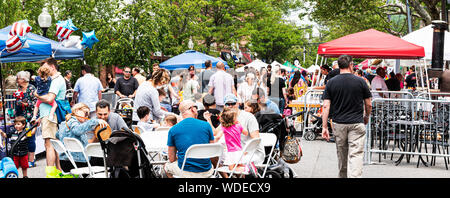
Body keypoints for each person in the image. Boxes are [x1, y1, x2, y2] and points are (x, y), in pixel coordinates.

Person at [321, 55, 372, 178]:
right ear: (350, 65)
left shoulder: (331, 83)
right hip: (356, 123)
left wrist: (324, 127)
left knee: (342, 156)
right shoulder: (361, 81)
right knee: (356, 155)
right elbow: (369, 104)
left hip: (339, 123)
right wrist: (366, 116)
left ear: (339, 66)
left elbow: (326, 106)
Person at [164, 100, 215, 178]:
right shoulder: (206, 126)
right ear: (192, 109)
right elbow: (212, 152)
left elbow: (171, 159)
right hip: (206, 171)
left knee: (166, 166)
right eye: (196, 108)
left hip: (185, 172)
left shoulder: (173, 129)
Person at [33, 58, 66, 173]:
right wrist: (39, 117)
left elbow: (49, 98)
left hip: (50, 116)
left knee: (49, 145)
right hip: (47, 115)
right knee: (54, 143)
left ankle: (51, 173)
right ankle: (58, 171)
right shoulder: (53, 79)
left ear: (52, 67)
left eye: (46, 67)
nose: (44, 70)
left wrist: (37, 95)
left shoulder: (56, 81)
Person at [56, 103, 108, 173]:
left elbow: (57, 135)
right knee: (105, 160)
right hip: (77, 162)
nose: (86, 116)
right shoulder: (73, 122)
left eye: (88, 115)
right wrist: (95, 121)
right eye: (85, 113)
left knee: (100, 159)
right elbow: (77, 130)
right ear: (77, 111)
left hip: (64, 161)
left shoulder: (64, 123)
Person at [220, 94, 265, 165]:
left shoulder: (248, 116)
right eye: (228, 104)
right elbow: (216, 133)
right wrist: (208, 120)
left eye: (233, 103)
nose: (230, 106)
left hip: (251, 152)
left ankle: (236, 174)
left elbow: (256, 139)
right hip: (235, 152)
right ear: (224, 106)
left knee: (230, 161)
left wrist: (246, 151)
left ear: (237, 103)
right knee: (215, 157)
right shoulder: (227, 117)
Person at [14, 71, 38, 168]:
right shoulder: (19, 89)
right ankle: (23, 160)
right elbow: (17, 102)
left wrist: (26, 104)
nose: (17, 80)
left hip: (30, 117)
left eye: (18, 78)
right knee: (20, 138)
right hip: (20, 117)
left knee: (30, 138)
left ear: (23, 80)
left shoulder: (32, 88)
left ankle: (31, 160)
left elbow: (36, 104)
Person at [219, 107, 249, 173]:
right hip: (239, 150)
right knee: (239, 165)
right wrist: (240, 124)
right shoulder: (238, 125)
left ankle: (247, 169)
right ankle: (246, 168)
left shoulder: (224, 128)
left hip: (231, 152)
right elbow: (246, 133)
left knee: (231, 169)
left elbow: (218, 136)